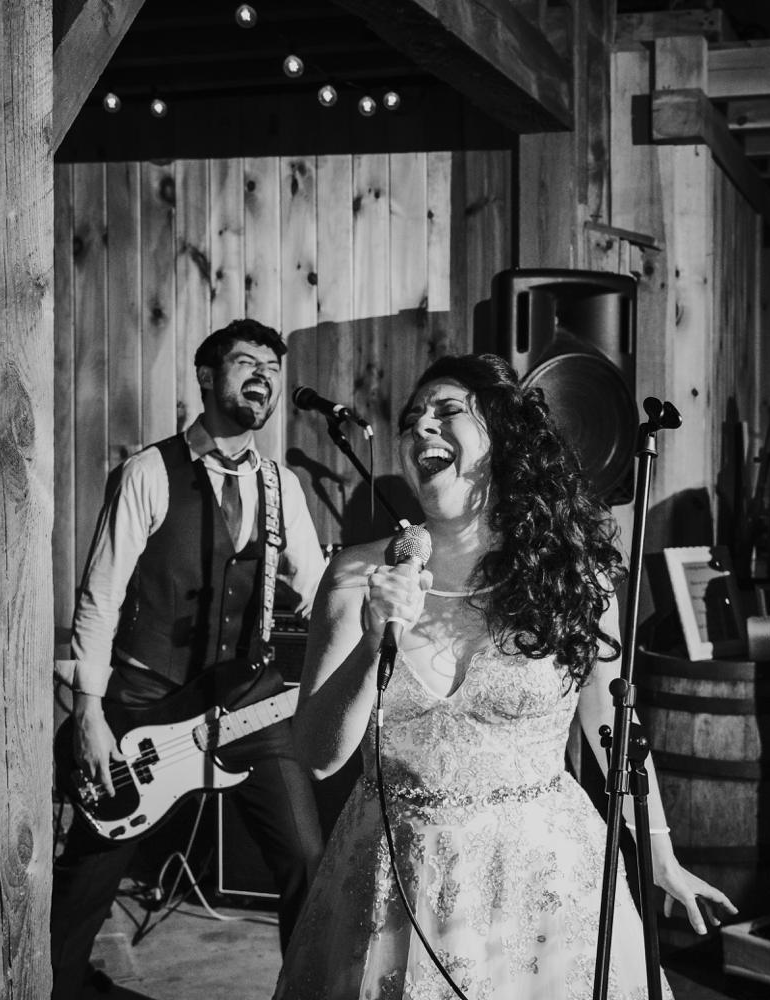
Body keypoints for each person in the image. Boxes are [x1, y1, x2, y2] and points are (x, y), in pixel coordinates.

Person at [274, 354, 734, 999]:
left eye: (447, 412)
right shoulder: (358, 576)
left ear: (505, 439)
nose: (420, 428)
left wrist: (657, 852)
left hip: (540, 879)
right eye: (411, 420)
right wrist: (374, 637)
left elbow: (615, 721)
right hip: (392, 871)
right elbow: (319, 757)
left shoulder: (576, 578)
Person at [50, 319, 327, 1000]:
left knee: (306, 861)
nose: (262, 376)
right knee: (92, 869)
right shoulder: (148, 471)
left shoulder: (279, 486)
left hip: (250, 700)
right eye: (245, 363)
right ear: (206, 378)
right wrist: (89, 708)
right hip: (146, 693)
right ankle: (51, 987)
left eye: (272, 366)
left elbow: (320, 591)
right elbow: (102, 593)